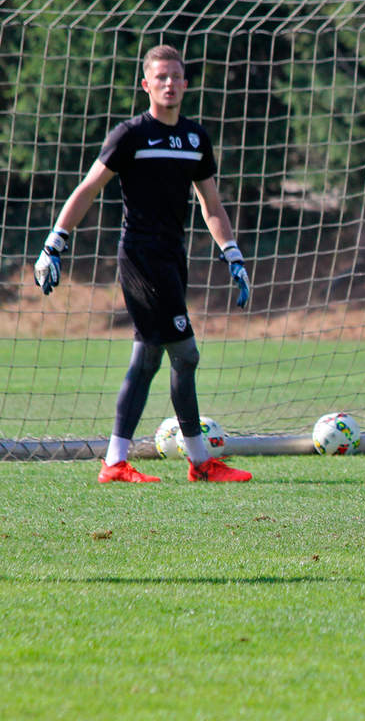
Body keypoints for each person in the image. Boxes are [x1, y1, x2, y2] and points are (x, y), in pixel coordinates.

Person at [33, 45, 252, 483]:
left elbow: (211, 205)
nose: (169, 84)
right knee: (185, 354)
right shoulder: (130, 134)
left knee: (148, 358)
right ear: (146, 84)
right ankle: (199, 461)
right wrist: (55, 242)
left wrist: (233, 253)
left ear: (186, 84)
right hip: (140, 259)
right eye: (161, 77)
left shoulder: (195, 139)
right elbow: (88, 188)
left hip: (174, 258)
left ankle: (115, 462)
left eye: (176, 76)